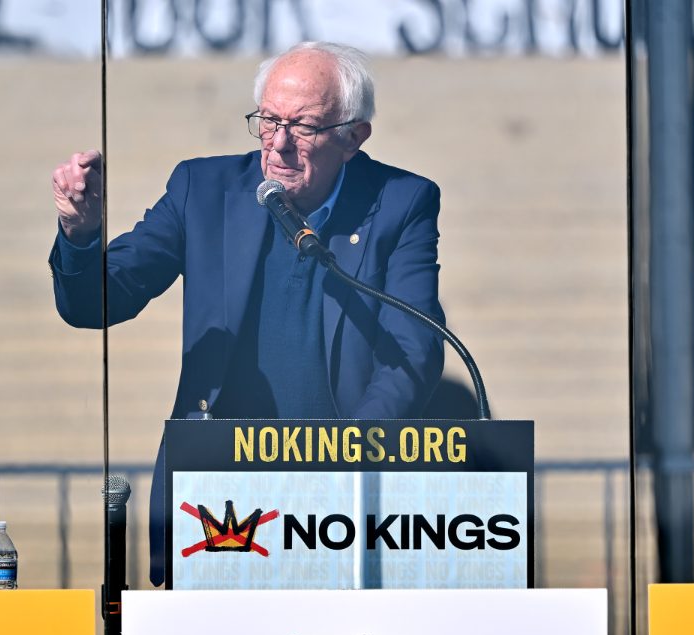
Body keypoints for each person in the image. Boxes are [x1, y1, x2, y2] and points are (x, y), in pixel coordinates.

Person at [49, 41, 445, 585]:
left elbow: (414, 350)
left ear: (353, 137)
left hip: (341, 506)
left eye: (303, 127)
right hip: (215, 498)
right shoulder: (202, 189)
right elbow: (96, 303)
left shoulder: (402, 202)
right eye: (268, 121)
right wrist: (80, 233)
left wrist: (344, 459)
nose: (279, 144)